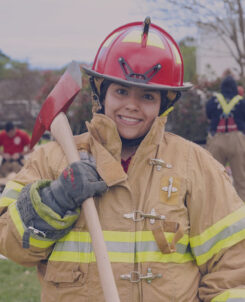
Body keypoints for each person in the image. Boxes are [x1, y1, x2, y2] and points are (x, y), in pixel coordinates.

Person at [0, 17, 245, 302]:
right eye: (121, 91)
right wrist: (54, 200)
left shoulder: (195, 165)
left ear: (164, 105)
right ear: (100, 92)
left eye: (148, 96)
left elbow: (234, 263)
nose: (132, 105)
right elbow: (10, 244)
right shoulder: (51, 159)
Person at [206, 75, 245, 201]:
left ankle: (216, 210)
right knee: (241, 180)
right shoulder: (241, 101)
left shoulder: (213, 101)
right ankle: (242, 214)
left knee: (214, 179)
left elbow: (209, 115)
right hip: (236, 140)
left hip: (217, 139)